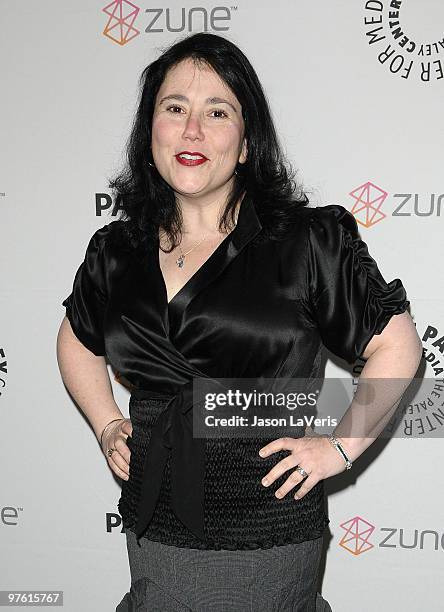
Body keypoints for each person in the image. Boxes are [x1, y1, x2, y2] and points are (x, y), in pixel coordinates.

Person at [56, 32, 422, 611]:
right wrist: (106, 425)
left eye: (216, 112)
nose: (191, 130)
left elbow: (397, 349)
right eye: (174, 109)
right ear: (150, 129)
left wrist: (338, 450)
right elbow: (76, 342)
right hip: (154, 525)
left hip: (267, 535)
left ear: (247, 143)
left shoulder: (306, 242)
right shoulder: (115, 250)